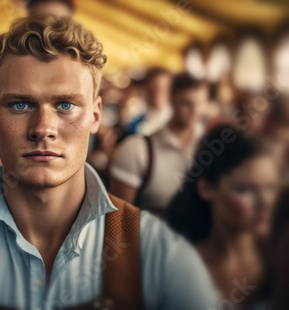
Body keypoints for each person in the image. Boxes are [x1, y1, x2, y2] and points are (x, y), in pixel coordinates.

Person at [0, 16, 217, 310]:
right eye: (21, 105)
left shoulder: (166, 260)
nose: (43, 129)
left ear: (95, 116)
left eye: (66, 105)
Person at [168, 125, 279, 307]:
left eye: (269, 188)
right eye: (246, 189)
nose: (264, 203)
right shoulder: (180, 267)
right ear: (206, 189)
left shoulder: (280, 259)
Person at [109, 73, 208, 218]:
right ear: (171, 100)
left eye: (200, 103)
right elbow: (119, 220)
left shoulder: (211, 144)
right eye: (186, 103)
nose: (195, 111)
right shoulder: (136, 149)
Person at [125, 67, 173, 136]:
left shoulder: (181, 123)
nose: (157, 93)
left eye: (162, 88)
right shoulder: (133, 127)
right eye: (154, 87)